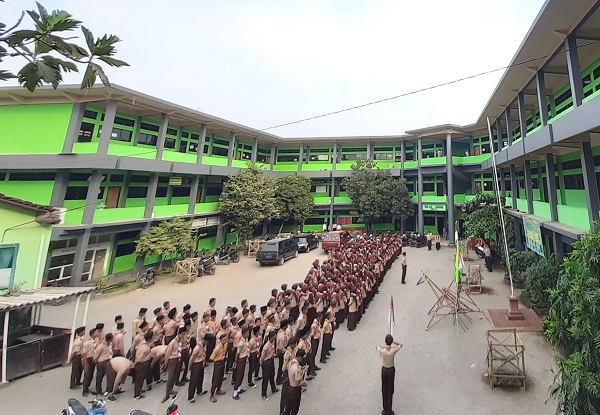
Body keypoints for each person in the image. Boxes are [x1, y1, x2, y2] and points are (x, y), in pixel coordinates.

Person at [377, 334, 403, 415]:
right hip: (391, 370)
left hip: (384, 370)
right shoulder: (393, 350)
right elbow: (401, 345)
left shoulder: (382, 350)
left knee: (384, 389)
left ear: (385, 341)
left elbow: (377, 347)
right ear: (391, 342)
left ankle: (385, 409)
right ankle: (389, 410)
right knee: (390, 389)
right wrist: (393, 341)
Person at [161, 327, 186, 403]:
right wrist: (165, 363)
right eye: (183, 334)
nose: (183, 336)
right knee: (170, 377)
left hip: (178, 358)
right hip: (172, 360)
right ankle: (167, 394)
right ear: (179, 334)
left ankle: (171, 389)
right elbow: (167, 353)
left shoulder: (180, 341)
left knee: (175, 375)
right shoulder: (173, 342)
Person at [188, 334, 211, 402]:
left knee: (201, 377)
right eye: (208, 342)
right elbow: (192, 358)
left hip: (201, 363)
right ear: (205, 340)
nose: (208, 343)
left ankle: (199, 390)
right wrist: (189, 367)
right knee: (194, 380)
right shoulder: (197, 348)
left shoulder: (204, 346)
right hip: (196, 364)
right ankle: (190, 397)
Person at [132, 331, 153, 400]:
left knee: (140, 378)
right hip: (142, 364)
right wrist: (134, 364)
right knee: (140, 379)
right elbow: (140, 359)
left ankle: (139, 391)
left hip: (142, 363)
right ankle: (137, 395)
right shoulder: (145, 348)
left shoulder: (143, 343)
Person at [287, 349, 308, 415]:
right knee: (295, 408)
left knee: (289, 406)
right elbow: (297, 382)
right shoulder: (297, 369)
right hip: (295, 389)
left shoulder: (291, 362)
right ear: (300, 357)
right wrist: (303, 373)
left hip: (290, 386)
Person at [260, 331, 279, 401]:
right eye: (274, 335)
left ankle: (273, 388)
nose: (275, 336)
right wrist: (262, 364)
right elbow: (262, 356)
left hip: (271, 360)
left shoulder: (272, 343)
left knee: (272, 375)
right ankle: (263, 394)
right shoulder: (266, 346)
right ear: (272, 336)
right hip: (266, 362)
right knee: (266, 378)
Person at [209, 333, 228, 403]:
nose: (225, 341)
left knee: (220, 377)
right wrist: (217, 360)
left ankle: (218, 389)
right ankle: (212, 394)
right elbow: (211, 357)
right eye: (223, 340)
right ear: (220, 340)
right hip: (218, 363)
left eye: (226, 339)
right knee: (216, 378)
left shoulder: (225, 345)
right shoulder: (217, 348)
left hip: (222, 361)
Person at [82, 328, 98, 396]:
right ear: (93, 333)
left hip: (93, 359)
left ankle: (87, 387)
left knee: (91, 374)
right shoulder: (87, 343)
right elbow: (84, 354)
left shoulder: (95, 341)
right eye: (96, 332)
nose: (98, 333)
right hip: (88, 359)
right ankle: (84, 389)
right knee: (87, 375)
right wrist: (85, 364)